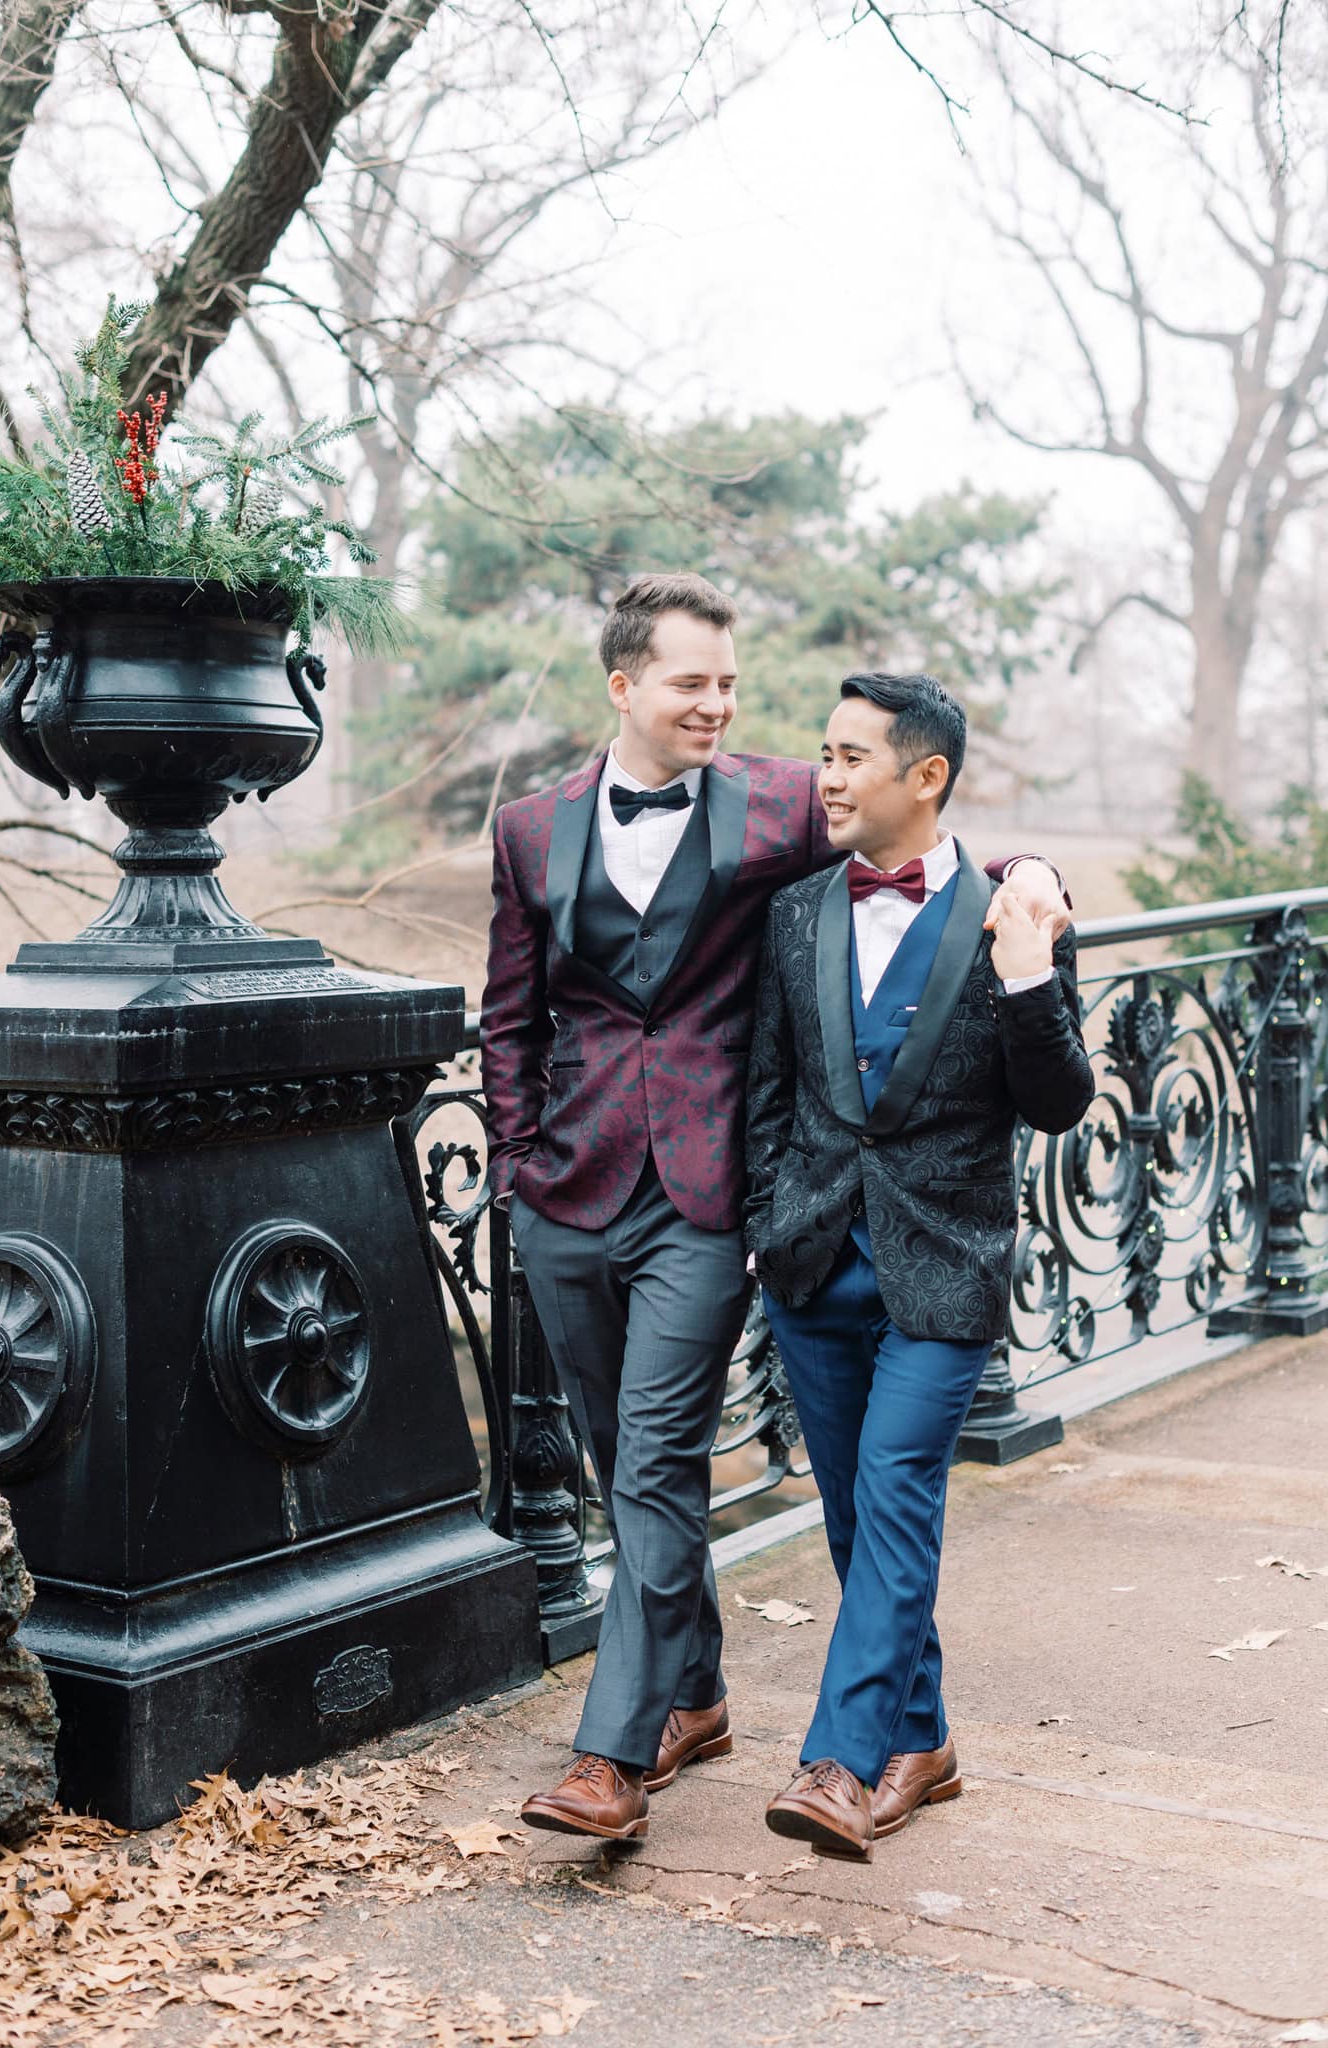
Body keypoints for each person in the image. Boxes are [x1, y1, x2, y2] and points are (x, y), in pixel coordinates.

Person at [479, 577, 1071, 1843]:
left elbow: (925, 823)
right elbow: (510, 1010)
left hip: (713, 1197)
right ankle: (698, 1696)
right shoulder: (530, 826)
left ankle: (618, 1754)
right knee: (623, 1462)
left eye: (730, 683)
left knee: (660, 1459)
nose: (718, 705)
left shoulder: (786, 800)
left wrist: (1032, 878)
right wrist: (519, 1159)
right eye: (691, 682)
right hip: (573, 1188)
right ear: (623, 684)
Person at [744, 670, 1095, 1860]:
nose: (827, 777)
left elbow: (1057, 1102)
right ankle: (925, 1739)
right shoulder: (795, 912)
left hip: (945, 1267)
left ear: (925, 774)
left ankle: (840, 1763)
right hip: (810, 1264)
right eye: (823, 754)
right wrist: (765, 1224)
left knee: (895, 1489)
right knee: (855, 1516)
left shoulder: (1014, 913)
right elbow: (769, 1089)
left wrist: (1029, 972)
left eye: (850, 757)